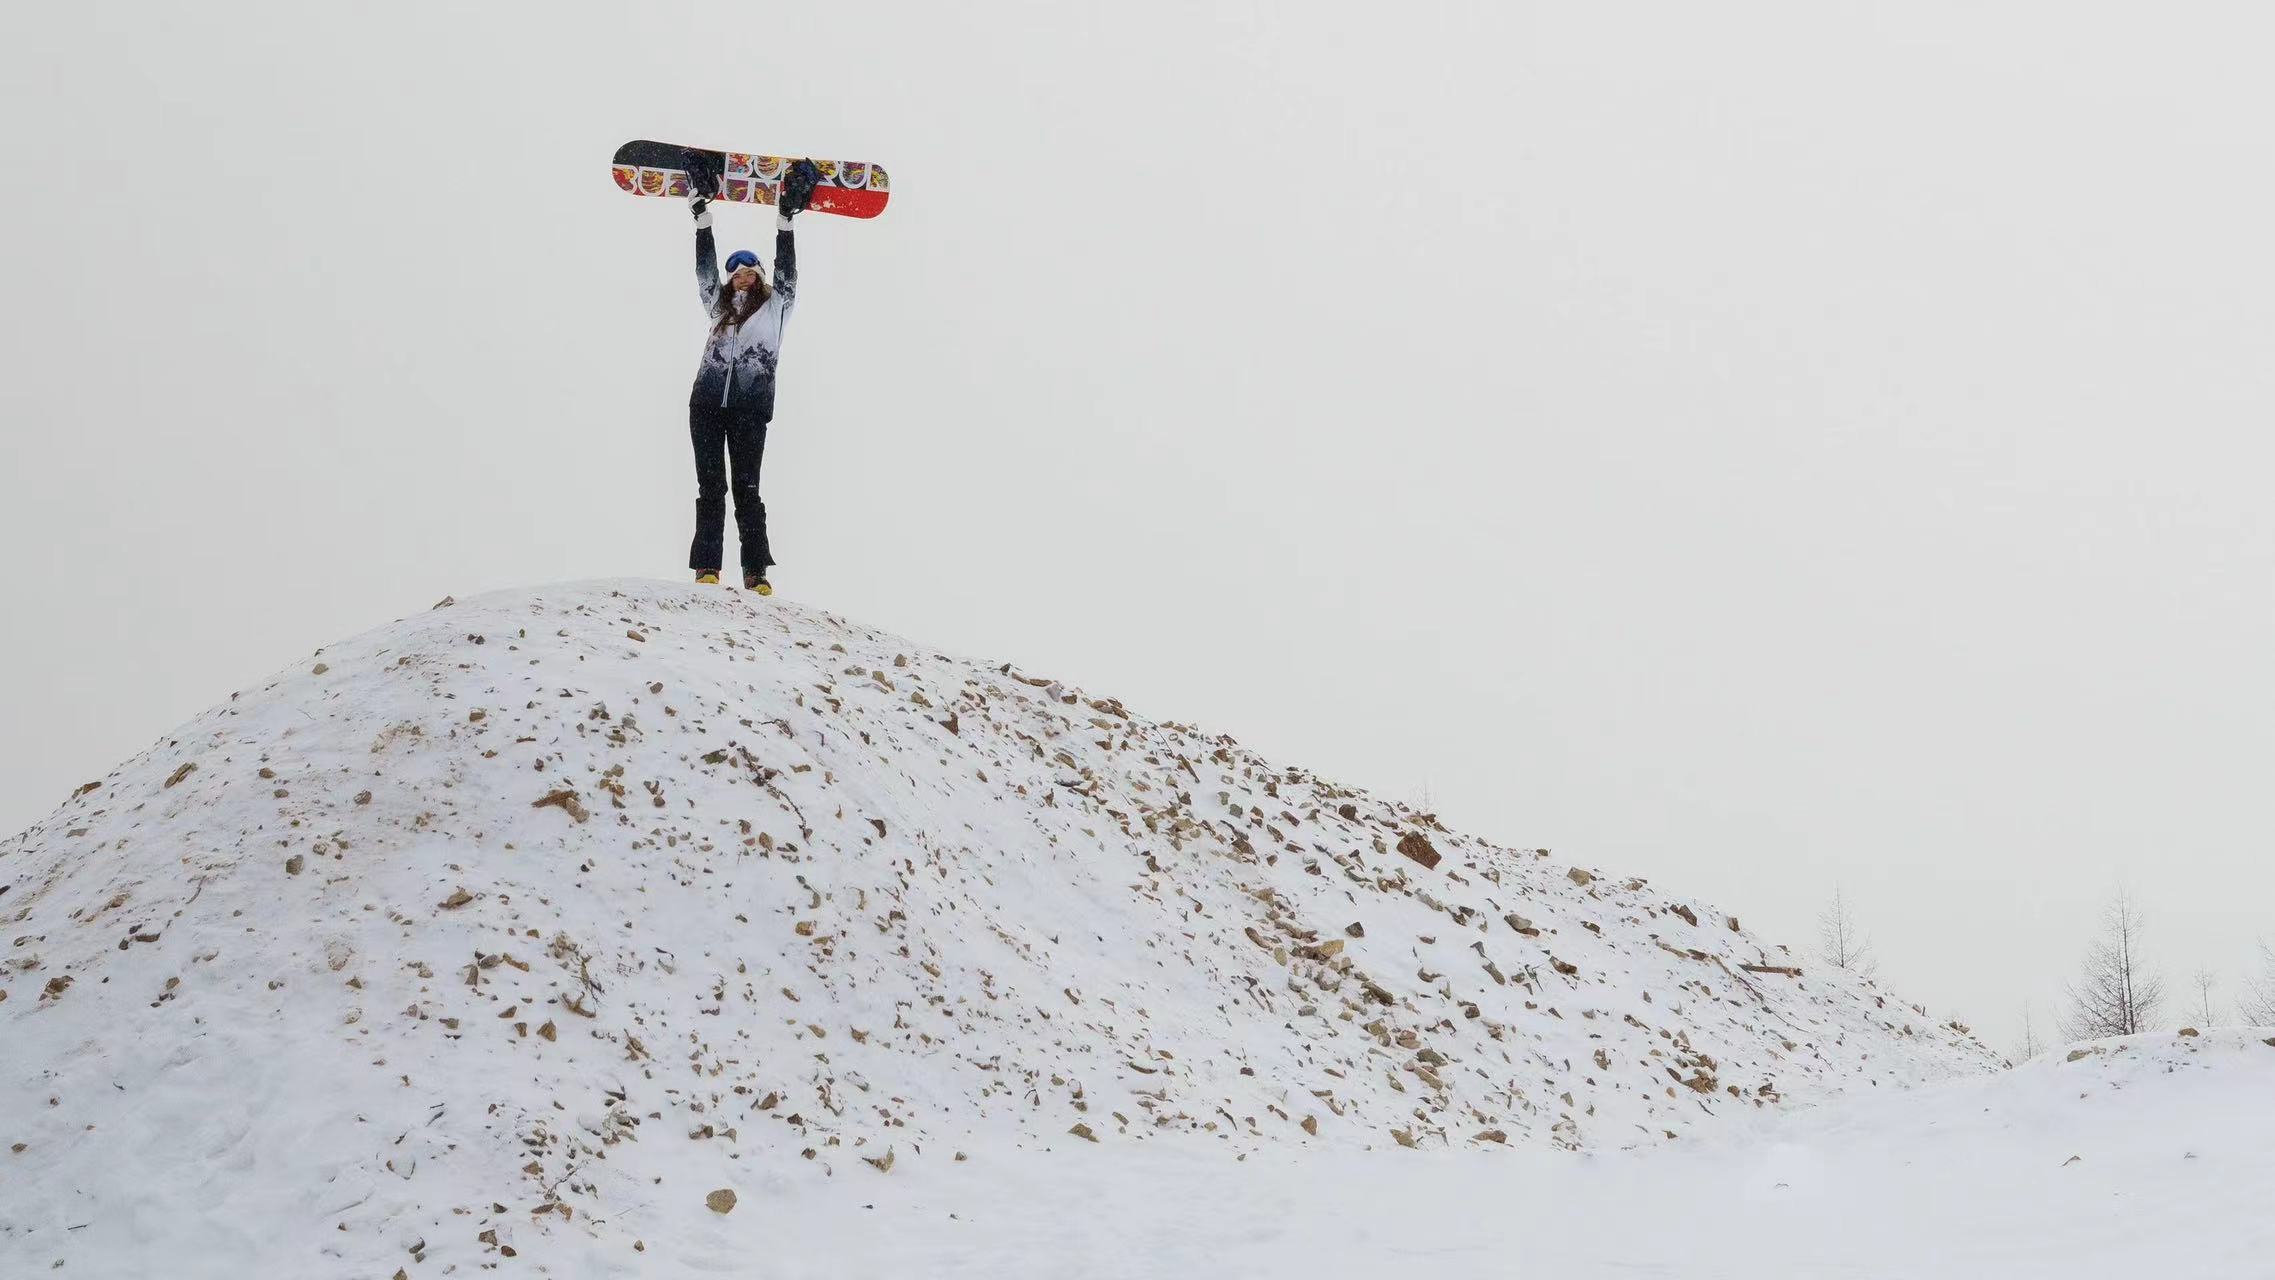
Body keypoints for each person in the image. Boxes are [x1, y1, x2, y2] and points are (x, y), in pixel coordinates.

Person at [683, 156, 821, 595]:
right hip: (705, 404)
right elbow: (704, 270)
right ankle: (707, 567)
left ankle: (756, 571)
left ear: (760, 277)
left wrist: (785, 219)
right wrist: (702, 214)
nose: (741, 278)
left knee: (747, 489)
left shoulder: (777, 306)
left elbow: (789, 272)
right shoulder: (718, 307)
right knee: (710, 487)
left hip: (749, 408)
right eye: (735, 273)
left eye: (749, 272)